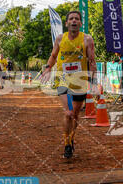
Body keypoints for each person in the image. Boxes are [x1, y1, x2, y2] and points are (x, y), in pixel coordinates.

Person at [39, 10, 97, 159]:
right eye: (71, 18)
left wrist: (94, 82)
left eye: (77, 19)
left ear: (80, 23)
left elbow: (92, 61)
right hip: (63, 80)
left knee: (75, 115)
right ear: (66, 23)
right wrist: (48, 69)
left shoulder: (87, 39)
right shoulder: (59, 39)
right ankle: (67, 144)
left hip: (80, 81)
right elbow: (53, 56)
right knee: (68, 113)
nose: (74, 21)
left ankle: (71, 137)